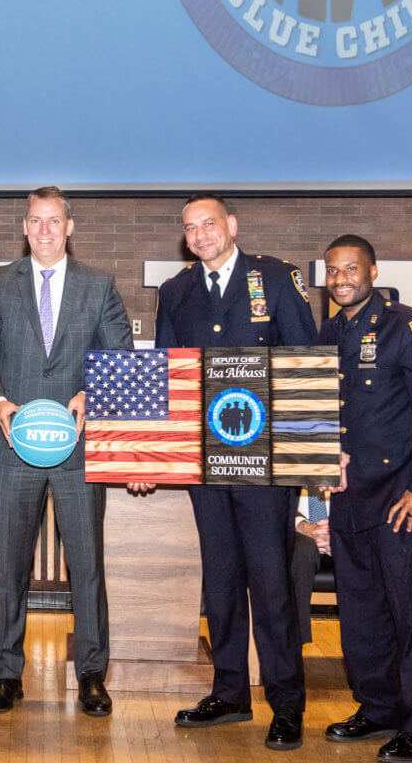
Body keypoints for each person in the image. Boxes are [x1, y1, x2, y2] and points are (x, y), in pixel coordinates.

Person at [151, 194, 313, 750]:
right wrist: (156, 454)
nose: (200, 235)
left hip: (266, 466)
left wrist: (307, 452)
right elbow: (169, 380)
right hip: (206, 464)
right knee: (219, 581)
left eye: (209, 224)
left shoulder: (274, 277)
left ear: (232, 226)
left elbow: (305, 363)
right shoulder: (175, 292)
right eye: (190, 228)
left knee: (271, 583)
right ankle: (229, 693)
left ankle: (287, 703)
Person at [0, 185, 132, 718]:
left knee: (85, 564)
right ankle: (6, 675)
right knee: (9, 563)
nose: (44, 229)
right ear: (24, 227)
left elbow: (121, 356)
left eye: (53, 220)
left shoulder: (99, 285)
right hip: (15, 445)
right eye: (35, 220)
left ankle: (91, 674)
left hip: (78, 448)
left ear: (69, 227)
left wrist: (93, 391)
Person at [320, 234, 412, 762]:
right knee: (361, 615)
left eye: (350, 269)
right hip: (351, 499)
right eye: (332, 272)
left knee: (411, 616)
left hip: (402, 501)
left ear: (373, 272)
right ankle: (378, 708)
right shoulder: (330, 330)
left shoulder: (409, 327)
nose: (341, 279)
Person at [290, 491, 332, 645]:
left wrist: (335, 530)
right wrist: (301, 525)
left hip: (347, 528)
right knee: (303, 549)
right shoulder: (288, 467)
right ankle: (295, 643)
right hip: (300, 532)